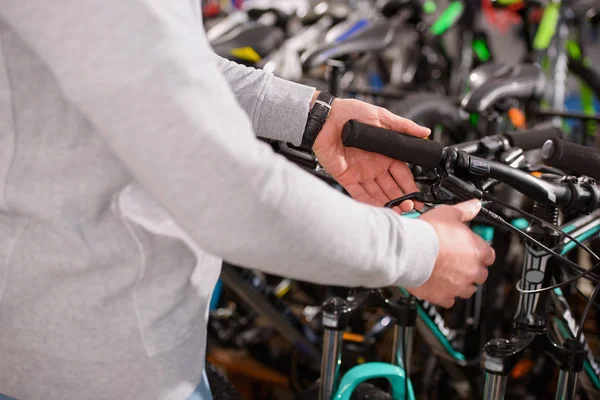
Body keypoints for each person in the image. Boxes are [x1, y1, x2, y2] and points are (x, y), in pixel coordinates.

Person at [0, 1, 495, 399]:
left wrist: (313, 117)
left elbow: (169, 65)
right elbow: (230, 196)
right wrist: (419, 252)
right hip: (97, 367)